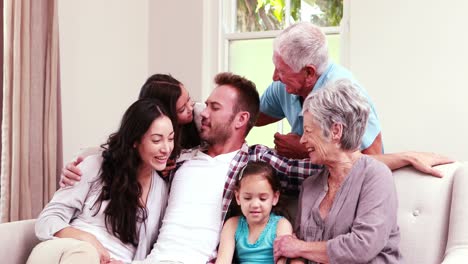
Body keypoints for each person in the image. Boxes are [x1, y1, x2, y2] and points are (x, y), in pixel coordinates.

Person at [62, 73, 452, 264]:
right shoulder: (177, 158)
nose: (201, 111)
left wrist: (404, 156)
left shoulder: (260, 161)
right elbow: (134, 145)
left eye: (213, 107)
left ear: (240, 119)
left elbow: (344, 159)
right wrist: (87, 163)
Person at [27, 99, 176, 264]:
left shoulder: (162, 191)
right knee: (85, 253)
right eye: (156, 140)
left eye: (170, 139)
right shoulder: (96, 165)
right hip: (68, 250)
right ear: (135, 141)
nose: (166, 148)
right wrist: (88, 239)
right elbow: (47, 220)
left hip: (112, 261)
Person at [274, 79, 402, 263]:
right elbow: (297, 251)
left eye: (308, 131)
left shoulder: (376, 176)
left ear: (336, 130)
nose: (302, 140)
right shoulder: (310, 186)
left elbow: (362, 247)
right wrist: (296, 250)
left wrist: (300, 247)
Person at [256, 22, 383, 158]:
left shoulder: (346, 94)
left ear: (309, 73)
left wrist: (305, 149)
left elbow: (373, 160)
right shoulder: (285, 86)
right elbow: (253, 117)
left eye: (281, 71)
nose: (274, 77)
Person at [216, 161, 298, 264]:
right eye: (247, 198)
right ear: (238, 197)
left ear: (275, 198)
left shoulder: (281, 225)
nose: (255, 204)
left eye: (262, 199)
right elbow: (223, 261)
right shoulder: (232, 225)